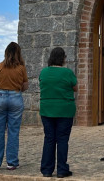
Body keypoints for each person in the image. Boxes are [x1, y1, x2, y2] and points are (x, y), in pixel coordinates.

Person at [39, 47, 78, 178]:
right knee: (62, 139)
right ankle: (62, 169)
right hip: (65, 109)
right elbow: (75, 87)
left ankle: (46, 169)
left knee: (49, 139)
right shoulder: (67, 73)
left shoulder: (44, 72)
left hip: (47, 109)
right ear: (63, 58)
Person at [0, 42, 29, 171]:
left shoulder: (0, 66)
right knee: (13, 132)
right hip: (15, 97)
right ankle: (12, 162)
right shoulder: (21, 68)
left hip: (0, 97)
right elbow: (25, 86)